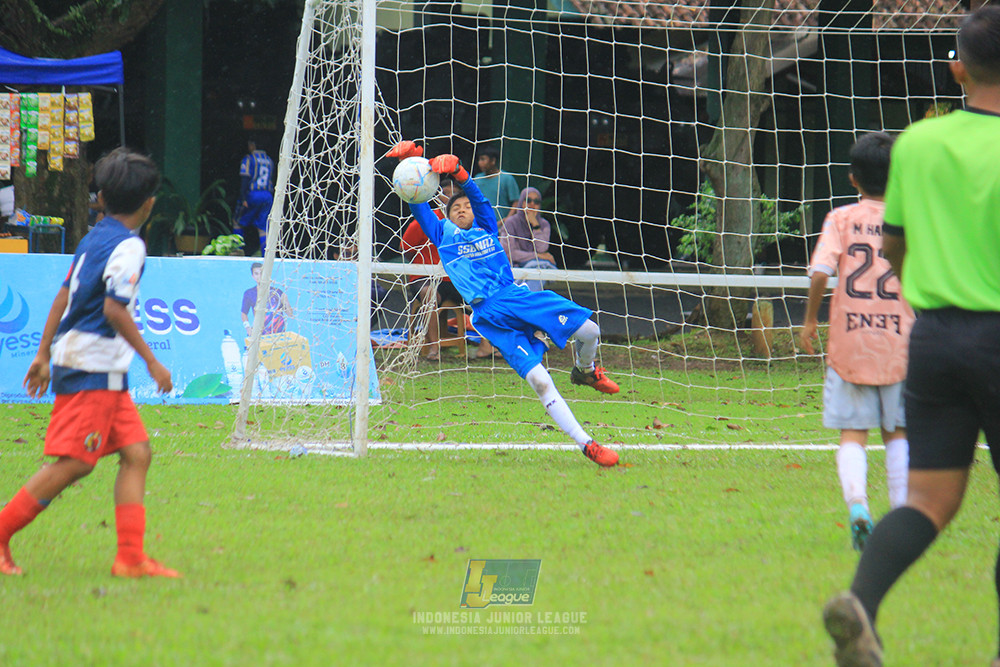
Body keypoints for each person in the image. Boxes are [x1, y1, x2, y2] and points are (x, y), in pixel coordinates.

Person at [823, 7, 1000, 666]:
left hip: (933, 338)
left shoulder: (919, 143)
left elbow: (894, 245)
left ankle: (862, 603)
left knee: (927, 500)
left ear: (957, 69)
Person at [0, 147, 179, 578]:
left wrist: (43, 353)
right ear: (149, 203)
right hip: (91, 365)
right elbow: (115, 310)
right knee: (76, 462)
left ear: (102, 199)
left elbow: (64, 295)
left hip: (97, 366)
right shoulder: (130, 246)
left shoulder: (94, 237)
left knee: (136, 453)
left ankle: (130, 558)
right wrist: (153, 362)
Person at [388, 140, 621, 467]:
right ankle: (588, 444)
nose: (462, 209)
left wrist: (460, 173)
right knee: (539, 380)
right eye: (455, 208)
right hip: (489, 317)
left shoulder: (486, 226)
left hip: (516, 297)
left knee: (591, 331)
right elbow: (418, 202)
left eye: (465, 205)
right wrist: (411, 165)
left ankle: (585, 371)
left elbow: (479, 199)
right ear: (447, 216)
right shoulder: (443, 236)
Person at [799, 132, 914, 553]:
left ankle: (859, 506)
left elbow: (820, 271)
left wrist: (810, 319)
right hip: (900, 340)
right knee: (897, 433)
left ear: (853, 178)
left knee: (853, 433)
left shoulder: (841, 218)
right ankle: (901, 519)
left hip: (851, 342)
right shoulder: (911, 219)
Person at [402, 178, 494, 360]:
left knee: (484, 290)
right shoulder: (428, 220)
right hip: (427, 279)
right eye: (446, 193)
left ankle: (488, 345)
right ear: (436, 196)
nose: (450, 197)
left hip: (456, 279)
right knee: (429, 294)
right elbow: (405, 248)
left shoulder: (469, 224)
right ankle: (434, 347)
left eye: (454, 194)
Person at [500, 187, 558, 292]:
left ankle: (525, 295)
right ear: (522, 203)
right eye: (528, 200)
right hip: (514, 266)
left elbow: (542, 248)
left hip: (536, 266)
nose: (532, 204)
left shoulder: (544, 224)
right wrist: (537, 256)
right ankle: (528, 296)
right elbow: (509, 254)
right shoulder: (511, 223)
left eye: (536, 202)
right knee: (540, 267)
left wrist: (535, 225)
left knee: (541, 267)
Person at [234, 137, 275, 254]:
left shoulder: (249, 159)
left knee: (237, 222)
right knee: (263, 227)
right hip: (267, 196)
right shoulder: (269, 160)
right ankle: (266, 255)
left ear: (252, 145)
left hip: (253, 195)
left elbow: (245, 179)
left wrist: (243, 197)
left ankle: (237, 251)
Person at [241, 261, 293, 337]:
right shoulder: (249, 293)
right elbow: (244, 313)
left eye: (261, 273)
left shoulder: (277, 292)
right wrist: (248, 328)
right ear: (253, 276)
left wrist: (286, 302)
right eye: (256, 274)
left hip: (278, 334)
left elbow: (290, 314)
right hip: (261, 334)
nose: (259, 276)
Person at [472, 145, 520, 220]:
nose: (480, 163)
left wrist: (507, 220)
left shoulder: (507, 178)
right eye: (479, 160)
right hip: (482, 223)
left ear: (493, 161)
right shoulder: (477, 178)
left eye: (483, 159)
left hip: (502, 224)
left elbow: (516, 202)